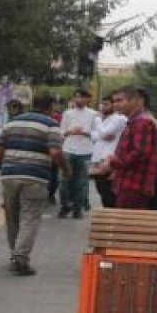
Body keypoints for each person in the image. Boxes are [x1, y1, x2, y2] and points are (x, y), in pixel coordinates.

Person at [0, 94, 66, 276]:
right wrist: (66, 170)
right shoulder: (51, 124)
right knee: (30, 217)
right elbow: (55, 151)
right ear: (50, 106)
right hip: (35, 177)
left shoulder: (13, 123)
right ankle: (20, 258)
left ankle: (15, 254)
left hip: (9, 175)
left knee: (12, 217)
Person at [93, 86, 157, 209]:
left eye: (120, 100)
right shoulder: (132, 121)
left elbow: (139, 153)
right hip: (127, 183)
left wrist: (112, 162)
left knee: (126, 224)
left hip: (135, 184)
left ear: (135, 100)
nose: (115, 105)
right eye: (114, 101)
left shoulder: (143, 121)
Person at [59, 89, 99, 219]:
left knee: (82, 182)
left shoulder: (94, 114)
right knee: (65, 180)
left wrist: (85, 133)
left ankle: (78, 208)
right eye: (77, 97)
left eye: (82, 98)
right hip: (68, 149)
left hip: (86, 151)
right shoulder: (67, 113)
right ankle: (65, 206)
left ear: (88, 99)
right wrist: (71, 131)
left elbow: (98, 134)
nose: (79, 100)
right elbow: (61, 132)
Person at [89, 95, 126, 208]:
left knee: (110, 194)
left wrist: (98, 122)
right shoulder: (101, 119)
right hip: (97, 159)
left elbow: (104, 133)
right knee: (102, 192)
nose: (102, 107)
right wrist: (102, 134)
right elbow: (93, 136)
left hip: (109, 160)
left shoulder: (120, 119)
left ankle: (112, 220)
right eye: (101, 104)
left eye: (106, 104)